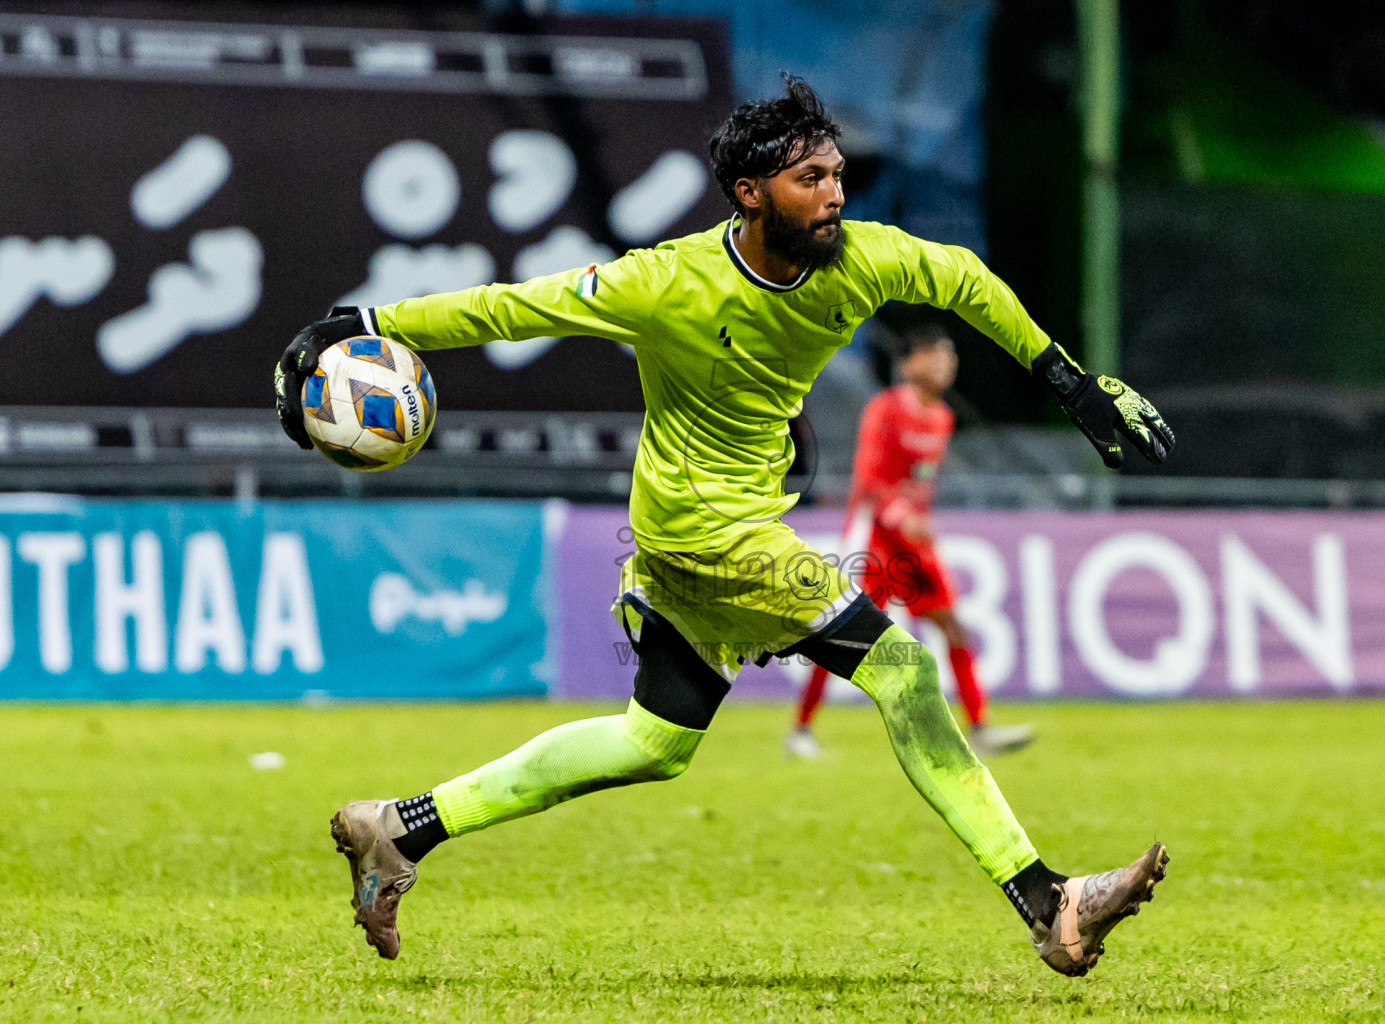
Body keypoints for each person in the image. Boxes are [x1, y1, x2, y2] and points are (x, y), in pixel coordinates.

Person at [274, 76, 1175, 978]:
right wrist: (367, 322)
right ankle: (1045, 899)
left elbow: (969, 281)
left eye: (835, 174)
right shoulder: (666, 281)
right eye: (809, 179)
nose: (834, 195)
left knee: (651, 743)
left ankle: (397, 829)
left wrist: (1069, 381)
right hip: (713, 539)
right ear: (750, 195)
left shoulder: (864, 258)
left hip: (694, 540)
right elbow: (507, 306)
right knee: (902, 668)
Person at [786, 323, 1036, 759]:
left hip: (914, 544)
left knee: (953, 626)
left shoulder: (941, 416)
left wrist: (914, 520)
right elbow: (869, 479)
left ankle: (980, 727)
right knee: (844, 639)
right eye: (935, 354)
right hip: (877, 542)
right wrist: (901, 516)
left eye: (950, 356)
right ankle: (801, 730)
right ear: (908, 363)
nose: (945, 364)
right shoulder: (885, 409)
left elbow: (919, 482)